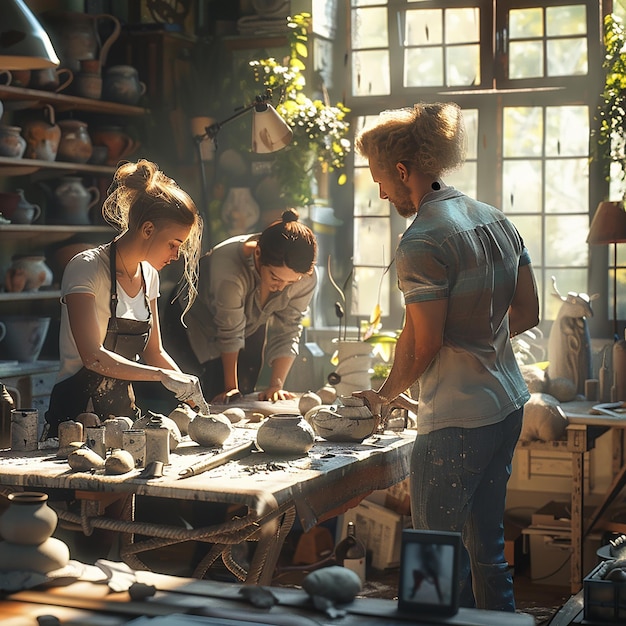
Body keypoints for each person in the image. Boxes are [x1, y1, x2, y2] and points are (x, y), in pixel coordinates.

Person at [353, 102, 540, 612]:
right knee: (487, 549)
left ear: (401, 170)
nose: (380, 191)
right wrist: (482, 339)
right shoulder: (495, 219)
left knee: (433, 555)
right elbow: (528, 311)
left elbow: (425, 343)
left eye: (379, 178)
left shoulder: (422, 240)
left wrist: (384, 396)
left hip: (457, 420)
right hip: (506, 405)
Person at [44, 159, 209, 438]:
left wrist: (188, 389)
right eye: (173, 243)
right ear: (147, 230)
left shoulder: (149, 276)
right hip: (76, 421)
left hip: (123, 419)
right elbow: (93, 358)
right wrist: (160, 376)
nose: (176, 255)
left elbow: (153, 352)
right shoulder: (86, 267)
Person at [164, 208, 317, 404]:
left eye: (291, 283)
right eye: (275, 278)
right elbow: (230, 331)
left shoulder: (305, 276)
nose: (281, 288)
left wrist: (276, 386)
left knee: (246, 391)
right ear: (258, 253)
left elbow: (290, 327)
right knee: (200, 396)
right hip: (189, 321)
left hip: (247, 322)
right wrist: (230, 389)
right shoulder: (229, 268)